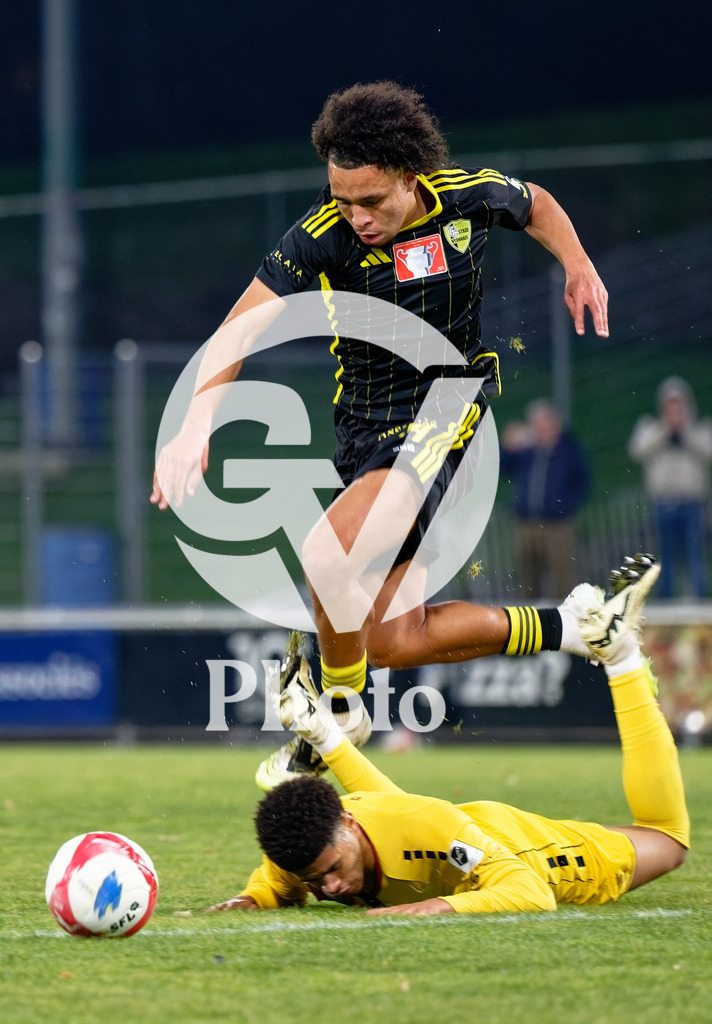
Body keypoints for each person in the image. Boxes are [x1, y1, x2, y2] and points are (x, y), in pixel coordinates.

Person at [151, 81, 610, 789]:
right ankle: (574, 628)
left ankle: (333, 719)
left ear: (410, 175)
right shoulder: (320, 237)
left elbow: (537, 203)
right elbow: (240, 328)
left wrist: (577, 263)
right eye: (343, 201)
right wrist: (196, 423)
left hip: (445, 408)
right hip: (363, 431)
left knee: (327, 556)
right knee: (391, 638)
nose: (356, 217)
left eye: (371, 201)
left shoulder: (467, 197)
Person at [207, 557, 690, 916]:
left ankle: (622, 658)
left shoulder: (426, 826)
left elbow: (531, 892)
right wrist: (251, 898)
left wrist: (440, 907)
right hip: (473, 828)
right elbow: (285, 881)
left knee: (668, 840)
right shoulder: (309, 844)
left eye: (331, 869)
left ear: (349, 826)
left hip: (548, 854)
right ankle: (328, 734)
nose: (330, 887)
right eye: (317, 880)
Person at [628, 376, 712, 598]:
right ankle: (665, 604)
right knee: (665, 557)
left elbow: (707, 450)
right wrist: (666, 429)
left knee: (695, 556)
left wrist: (685, 430)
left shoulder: (699, 428)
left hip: (692, 503)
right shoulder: (651, 427)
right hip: (663, 503)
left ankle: (699, 602)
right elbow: (637, 450)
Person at [501, 399, 590, 599]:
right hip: (528, 523)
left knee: (563, 576)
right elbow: (501, 465)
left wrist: (566, 506)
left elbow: (582, 481)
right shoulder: (528, 453)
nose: (541, 429)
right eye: (536, 425)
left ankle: (566, 622)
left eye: (545, 423)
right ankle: (528, 621)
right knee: (528, 578)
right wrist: (508, 445)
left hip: (557, 524)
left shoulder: (568, 451)